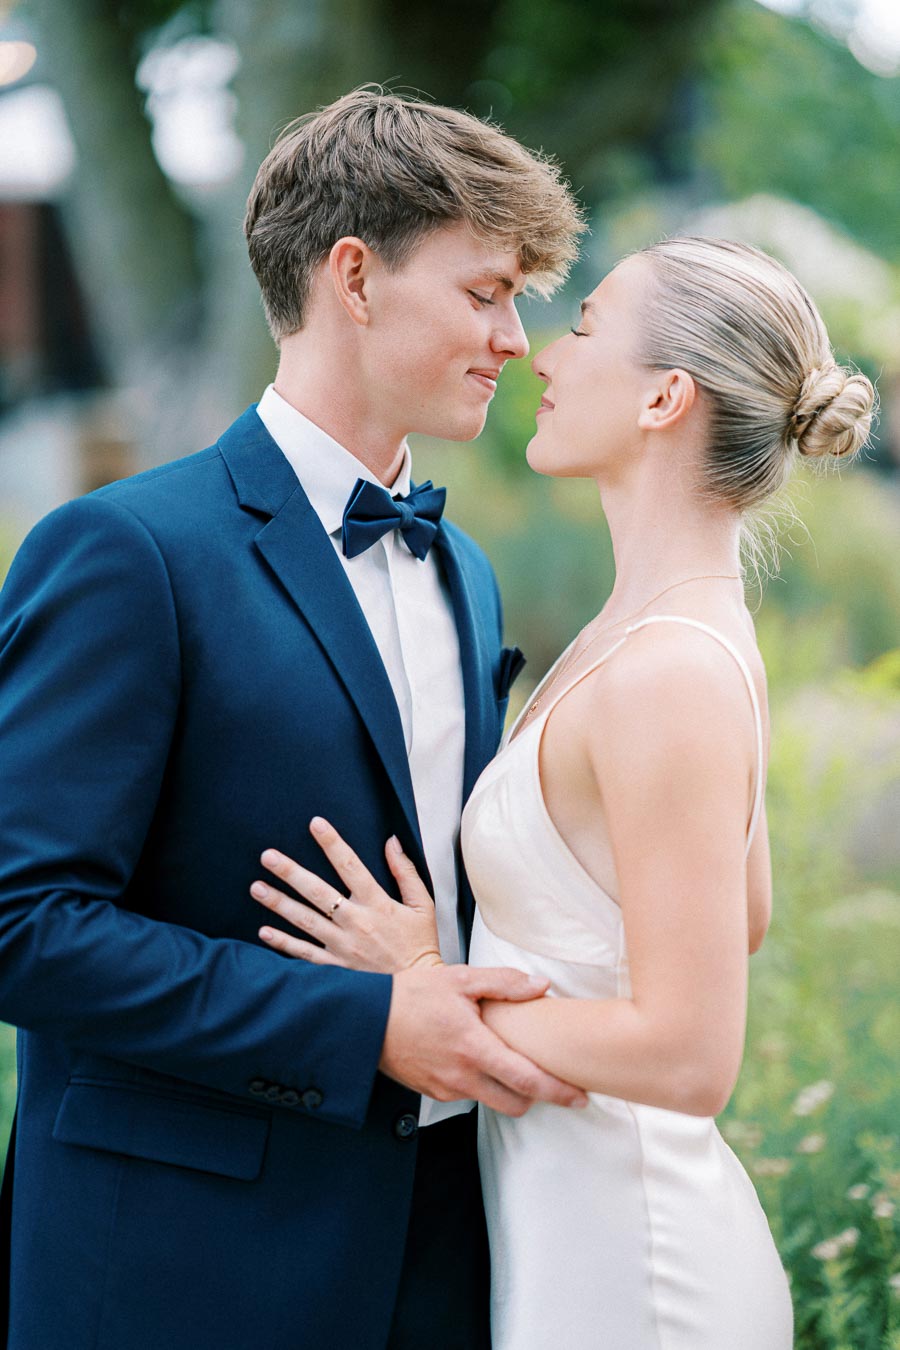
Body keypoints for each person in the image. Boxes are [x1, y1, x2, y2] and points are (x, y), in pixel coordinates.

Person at [0, 89, 588, 1350]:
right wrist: (367, 1023)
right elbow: (23, 926)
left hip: (445, 1255)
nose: (518, 340)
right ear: (356, 276)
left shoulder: (464, 574)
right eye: (486, 292)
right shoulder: (125, 553)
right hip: (180, 1270)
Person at [250, 236, 876, 1348]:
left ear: (664, 398)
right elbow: (739, 913)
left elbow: (690, 1056)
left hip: (632, 1266)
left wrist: (434, 989)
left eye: (585, 327)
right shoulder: (653, 630)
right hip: (566, 1224)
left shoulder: (668, 666)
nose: (543, 354)